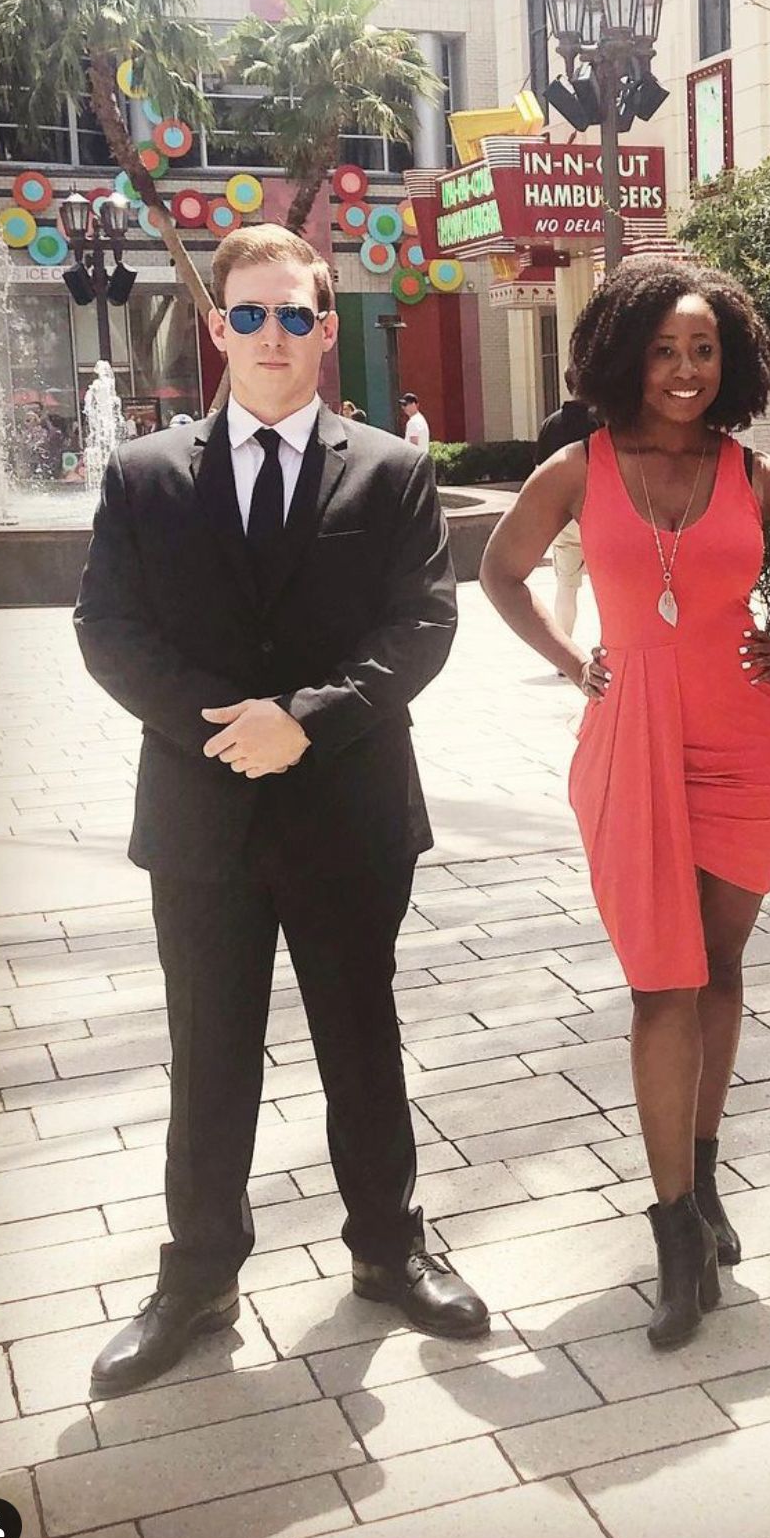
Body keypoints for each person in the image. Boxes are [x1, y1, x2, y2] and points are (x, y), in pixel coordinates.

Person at [75, 222, 488, 1397]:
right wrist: (229, 722)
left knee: (362, 1034)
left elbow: (421, 626)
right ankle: (197, 1274)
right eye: (247, 314)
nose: (270, 335)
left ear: (324, 325)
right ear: (217, 327)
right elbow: (109, 630)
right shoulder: (146, 474)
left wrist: (302, 716)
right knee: (208, 1050)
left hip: (348, 805)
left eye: (293, 314)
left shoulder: (391, 470)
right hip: (201, 815)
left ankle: (388, 1247)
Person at [480, 257, 770, 1350]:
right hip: (630, 743)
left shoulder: (754, 475)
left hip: (744, 743)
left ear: (732, 361)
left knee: (715, 969)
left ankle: (702, 1185)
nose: (682, 368)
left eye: (703, 348)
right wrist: (575, 662)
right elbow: (500, 571)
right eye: (663, 348)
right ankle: (674, 1234)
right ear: (623, 352)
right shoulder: (576, 469)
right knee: (661, 981)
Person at [533, 380, 599, 640]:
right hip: (600, 515)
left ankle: (565, 651)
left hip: (563, 518)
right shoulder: (604, 423)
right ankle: (609, 649)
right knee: (608, 590)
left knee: (566, 587)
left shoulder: (551, 424)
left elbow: (540, 471)